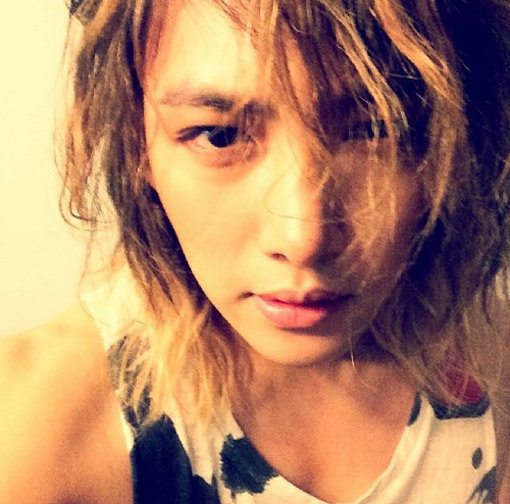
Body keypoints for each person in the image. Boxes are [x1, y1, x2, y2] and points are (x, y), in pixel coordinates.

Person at [2, 0, 510, 502]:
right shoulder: (31, 433)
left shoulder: (492, 352)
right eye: (219, 136)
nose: (303, 240)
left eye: (376, 128)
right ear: (138, 144)